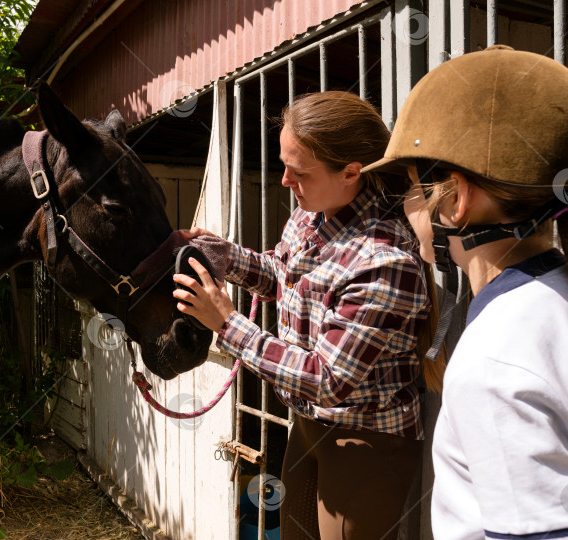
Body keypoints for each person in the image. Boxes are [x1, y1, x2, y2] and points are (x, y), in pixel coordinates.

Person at [173, 91, 438, 539]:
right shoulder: (309, 216)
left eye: (298, 172)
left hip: (365, 441)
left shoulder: (383, 261)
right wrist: (227, 256)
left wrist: (227, 324)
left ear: (351, 173)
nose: (283, 181)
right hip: (308, 426)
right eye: (284, 165)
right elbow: (283, 274)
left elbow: (327, 380)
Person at [363, 45, 568, 539]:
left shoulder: (494, 361)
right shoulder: (551, 298)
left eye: (413, 188)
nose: (406, 208)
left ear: (455, 200)